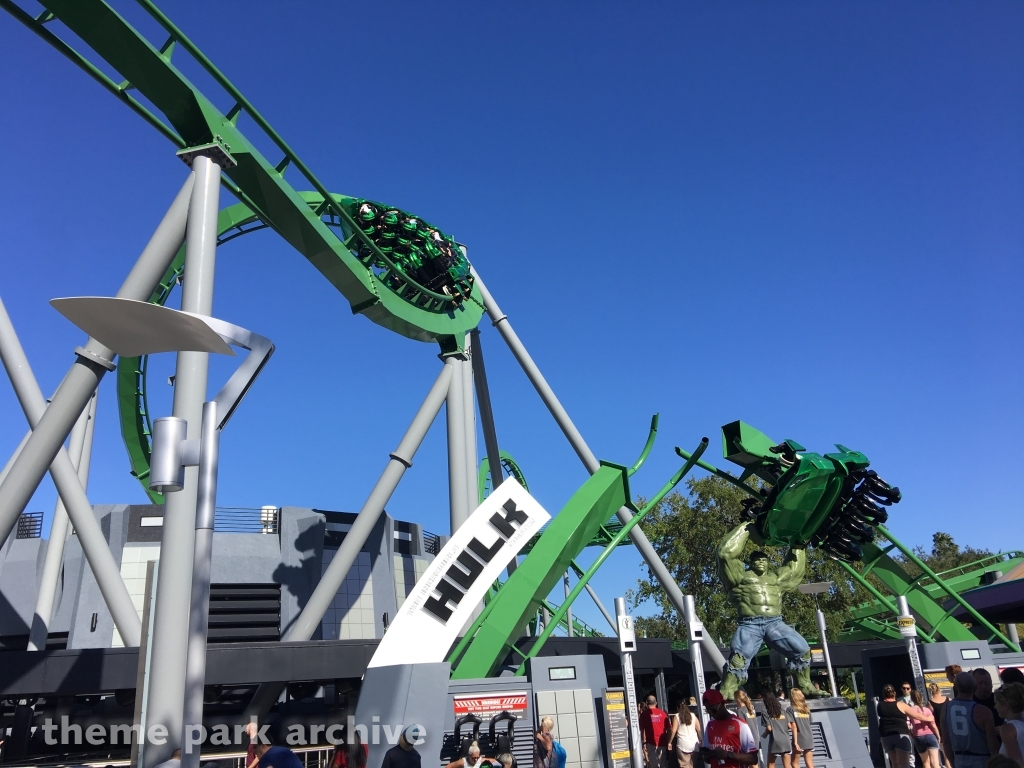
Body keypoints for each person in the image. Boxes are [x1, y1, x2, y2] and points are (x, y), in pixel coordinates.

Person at [716, 523, 815, 699]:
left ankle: (805, 685)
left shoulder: (775, 579)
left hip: (775, 623)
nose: (761, 562)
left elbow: (795, 570)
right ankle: (726, 690)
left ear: (769, 563)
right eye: (757, 559)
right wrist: (748, 527)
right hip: (749, 624)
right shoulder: (740, 578)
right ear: (750, 563)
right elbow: (725, 555)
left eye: (764, 559)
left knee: (802, 650)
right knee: (738, 659)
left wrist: (799, 542)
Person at [942, 672, 998, 768]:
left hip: (959, 759)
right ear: (975, 687)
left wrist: (953, 763)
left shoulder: (946, 708)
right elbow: (992, 745)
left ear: (956, 687)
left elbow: (946, 742)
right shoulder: (983, 711)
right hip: (982, 759)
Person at [878, 684, 938, 768]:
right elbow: (916, 716)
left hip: (885, 736)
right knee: (903, 764)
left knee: (894, 763)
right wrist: (929, 718)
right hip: (900, 734)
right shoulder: (901, 705)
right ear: (894, 693)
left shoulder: (880, 705)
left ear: (884, 694)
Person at [700, 689, 759, 768]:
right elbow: (707, 760)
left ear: (722, 704)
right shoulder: (710, 725)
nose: (711, 714)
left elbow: (753, 759)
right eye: (708, 711)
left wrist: (728, 754)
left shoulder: (739, 724)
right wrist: (706, 756)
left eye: (714, 710)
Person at [907, 689, 941, 768]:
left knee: (925, 763)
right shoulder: (927, 710)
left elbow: (907, 726)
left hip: (918, 737)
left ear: (911, 699)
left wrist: (911, 734)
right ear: (922, 698)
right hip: (930, 735)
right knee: (935, 763)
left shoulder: (910, 711)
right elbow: (933, 725)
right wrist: (938, 736)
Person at [760, 691, 792, 768]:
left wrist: (764, 735)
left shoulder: (765, 711)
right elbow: (789, 726)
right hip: (786, 740)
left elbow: (769, 728)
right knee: (787, 765)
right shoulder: (782, 710)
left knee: (771, 764)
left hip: (775, 741)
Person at [994, 683, 1024, 764]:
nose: (995, 707)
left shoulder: (1007, 729)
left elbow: (1015, 762)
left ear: (1005, 705)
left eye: (997, 703)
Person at [667, 699, 702, 768]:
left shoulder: (677, 716)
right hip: (694, 744)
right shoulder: (693, 715)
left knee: (684, 765)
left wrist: (669, 742)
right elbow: (699, 729)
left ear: (677, 708)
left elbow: (673, 731)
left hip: (682, 745)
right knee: (692, 765)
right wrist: (700, 740)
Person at [640, 695, 670, 768]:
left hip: (651, 744)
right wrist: (669, 741)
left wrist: (644, 742)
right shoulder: (663, 714)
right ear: (656, 703)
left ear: (646, 703)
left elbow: (642, 730)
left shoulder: (643, 715)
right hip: (662, 743)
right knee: (662, 765)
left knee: (654, 765)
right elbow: (669, 729)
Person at [787, 689, 814, 768]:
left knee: (794, 763)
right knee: (809, 763)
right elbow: (809, 722)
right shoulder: (806, 709)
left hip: (799, 738)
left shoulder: (790, 709)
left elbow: (793, 726)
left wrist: (795, 742)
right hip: (809, 737)